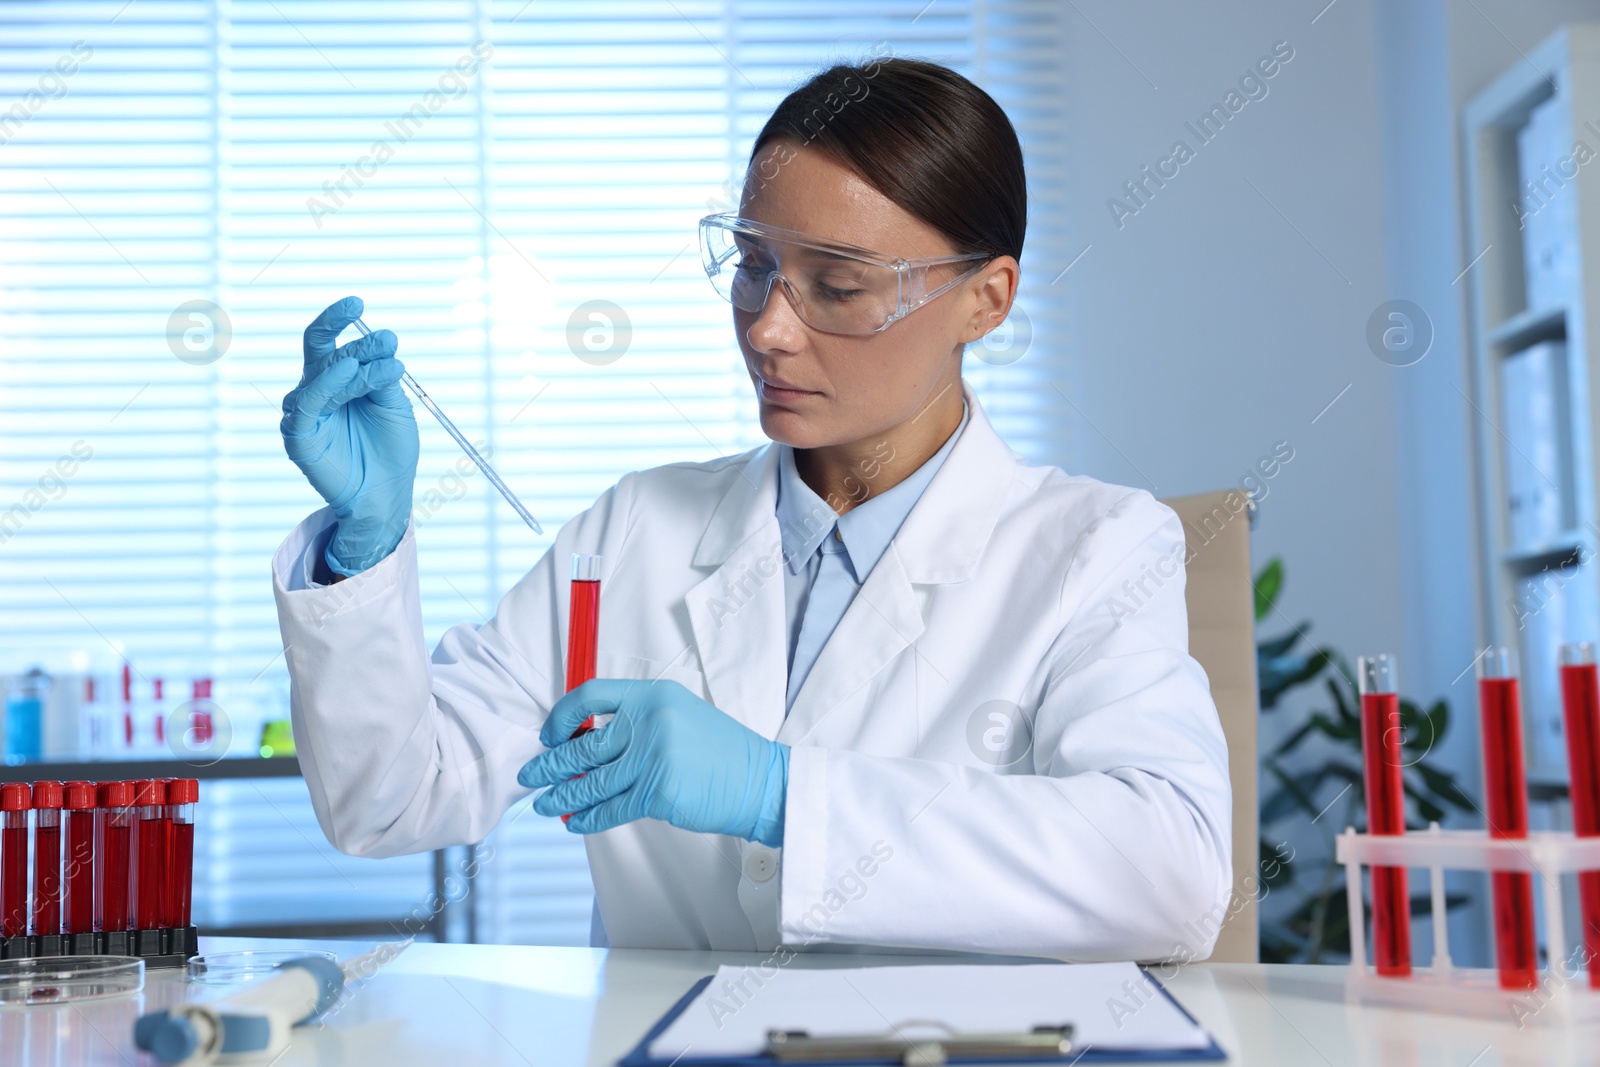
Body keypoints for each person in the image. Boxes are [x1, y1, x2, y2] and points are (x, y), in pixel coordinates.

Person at [273, 57, 1231, 959]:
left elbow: (1173, 872)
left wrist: (780, 794)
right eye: (752, 266)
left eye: (840, 286)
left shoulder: (1097, 548)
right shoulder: (635, 532)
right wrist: (368, 545)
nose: (769, 328)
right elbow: (387, 801)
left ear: (987, 299)